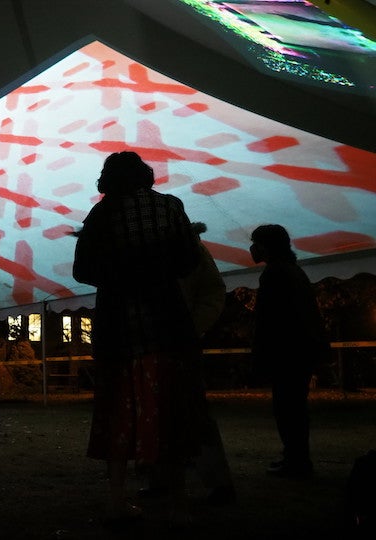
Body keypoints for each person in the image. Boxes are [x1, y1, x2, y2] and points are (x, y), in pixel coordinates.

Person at [72, 152, 202, 527]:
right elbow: (189, 261)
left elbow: (83, 271)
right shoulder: (170, 207)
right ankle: (178, 503)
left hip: (119, 332)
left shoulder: (101, 215)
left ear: (107, 180)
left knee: (118, 414)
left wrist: (119, 274)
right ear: (145, 175)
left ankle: (116, 500)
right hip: (167, 327)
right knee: (172, 412)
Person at [139, 222, 236, 504]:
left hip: (177, 342)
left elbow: (211, 292)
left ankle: (216, 483)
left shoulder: (189, 250)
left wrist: (191, 327)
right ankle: (160, 478)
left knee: (192, 411)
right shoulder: (159, 247)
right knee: (156, 409)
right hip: (158, 341)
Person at [250, 224, 330, 478]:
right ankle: (295, 457)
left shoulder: (275, 274)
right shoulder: (293, 271)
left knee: (288, 408)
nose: (252, 248)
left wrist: (261, 354)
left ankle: (297, 461)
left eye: (257, 243)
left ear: (267, 246)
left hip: (288, 353)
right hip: (301, 351)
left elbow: (270, 320)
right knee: (294, 407)